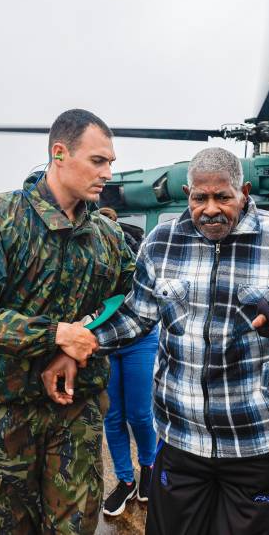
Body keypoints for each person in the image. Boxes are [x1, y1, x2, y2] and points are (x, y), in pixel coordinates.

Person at [44, 147, 269, 535]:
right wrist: (80, 345)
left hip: (259, 437)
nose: (210, 209)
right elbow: (137, 314)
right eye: (199, 198)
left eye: (223, 197)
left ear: (244, 191)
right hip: (181, 436)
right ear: (187, 193)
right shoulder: (160, 242)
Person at [0, 109, 135, 534]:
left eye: (111, 162)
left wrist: (80, 345)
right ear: (59, 154)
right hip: (7, 415)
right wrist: (56, 336)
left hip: (77, 415)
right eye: (98, 161)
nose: (108, 173)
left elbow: (128, 302)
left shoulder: (107, 237)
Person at [95, 207, 159, 517]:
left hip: (140, 339)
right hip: (103, 344)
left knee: (140, 415)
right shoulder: (84, 257)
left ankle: (149, 466)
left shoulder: (134, 250)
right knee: (113, 416)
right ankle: (125, 480)